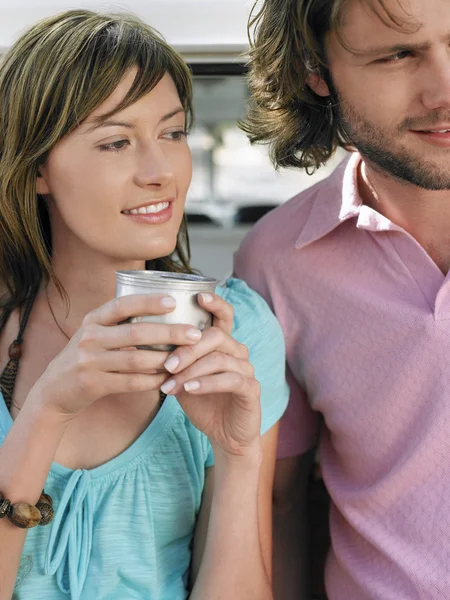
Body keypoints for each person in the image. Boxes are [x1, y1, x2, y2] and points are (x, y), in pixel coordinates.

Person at [0, 10, 289, 600]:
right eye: (116, 142)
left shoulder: (239, 329)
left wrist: (237, 458)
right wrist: (47, 409)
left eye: (174, 133)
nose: (161, 172)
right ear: (35, 170)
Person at [234, 0, 450, 598]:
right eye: (398, 53)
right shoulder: (275, 263)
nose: (443, 88)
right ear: (316, 69)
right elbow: (278, 505)